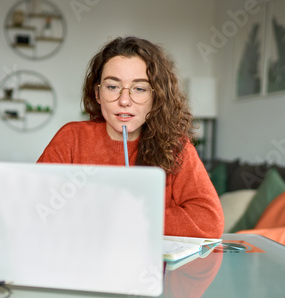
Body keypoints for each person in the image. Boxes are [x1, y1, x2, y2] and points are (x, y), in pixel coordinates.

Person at [37, 36, 224, 238]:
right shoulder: (72, 138)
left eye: (140, 89)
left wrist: (129, 218)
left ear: (155, 97)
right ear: (98, 94)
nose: (124, 101)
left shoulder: (175, 147)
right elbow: (34, 205)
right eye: (112, 87)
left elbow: (209, 221)